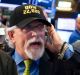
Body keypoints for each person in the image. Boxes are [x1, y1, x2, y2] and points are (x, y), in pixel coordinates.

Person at [6, 4, 76, 75]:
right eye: (28, 27)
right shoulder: (3, 63)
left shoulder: (57, 63)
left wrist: (61, 47)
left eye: (40, 27)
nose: (35, 34)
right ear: (12, 35)